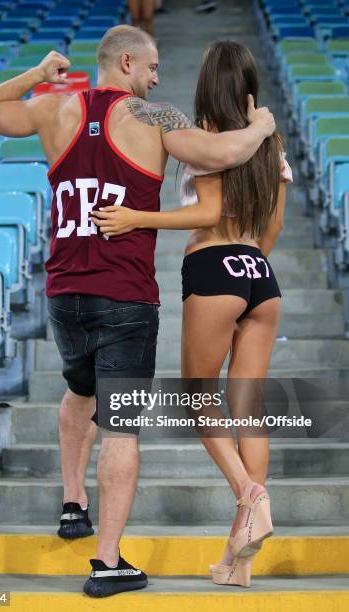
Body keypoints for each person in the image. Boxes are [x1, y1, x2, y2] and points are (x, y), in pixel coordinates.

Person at [0, 27, 275, 597]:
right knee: (120, 429)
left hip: (63, 296)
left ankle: (72, 504)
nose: (159, 78)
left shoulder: (54, 109)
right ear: (128, 62)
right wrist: (260, 126)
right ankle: (107, 563)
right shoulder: (153, 119)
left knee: (78, 391)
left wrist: (35, 74)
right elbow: (226, 153)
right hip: (125, 298)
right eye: (154, 67)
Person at [91, 40, 292, 588]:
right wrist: (248, 266)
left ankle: (251, 496)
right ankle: (239, 561)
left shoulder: (206, 130)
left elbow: (206, 211)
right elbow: (272, 228)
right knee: (248, 410)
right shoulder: (271, 140)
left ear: (209, 84)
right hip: (261, 277)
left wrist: (137, 217)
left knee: (197, 399)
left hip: (214, 268)